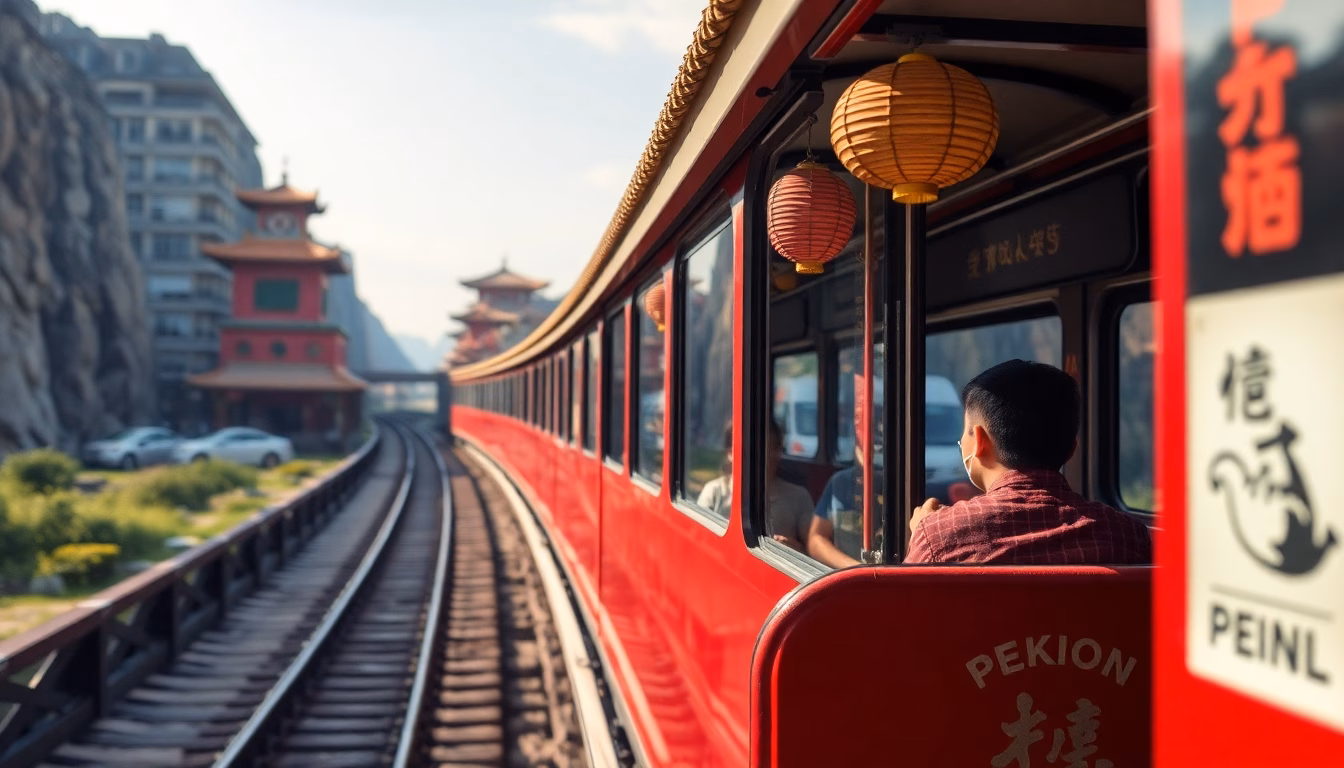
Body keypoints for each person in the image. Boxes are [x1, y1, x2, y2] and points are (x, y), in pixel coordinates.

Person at [906, 359, 1152, 565]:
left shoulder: (937, 536)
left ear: (979, 440)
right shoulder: (1128, 535)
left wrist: (921, 532)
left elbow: (902, 613)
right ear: (1071, 449)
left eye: (965, 431)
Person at [699, 421, 814, 552]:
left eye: (768, 448)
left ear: (778, 453)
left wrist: (792, 549)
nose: (760, 456)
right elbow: (698, 543)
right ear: (731, 453)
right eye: (751, 449)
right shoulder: (714, 492)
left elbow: (814, 549)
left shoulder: (798, 497)